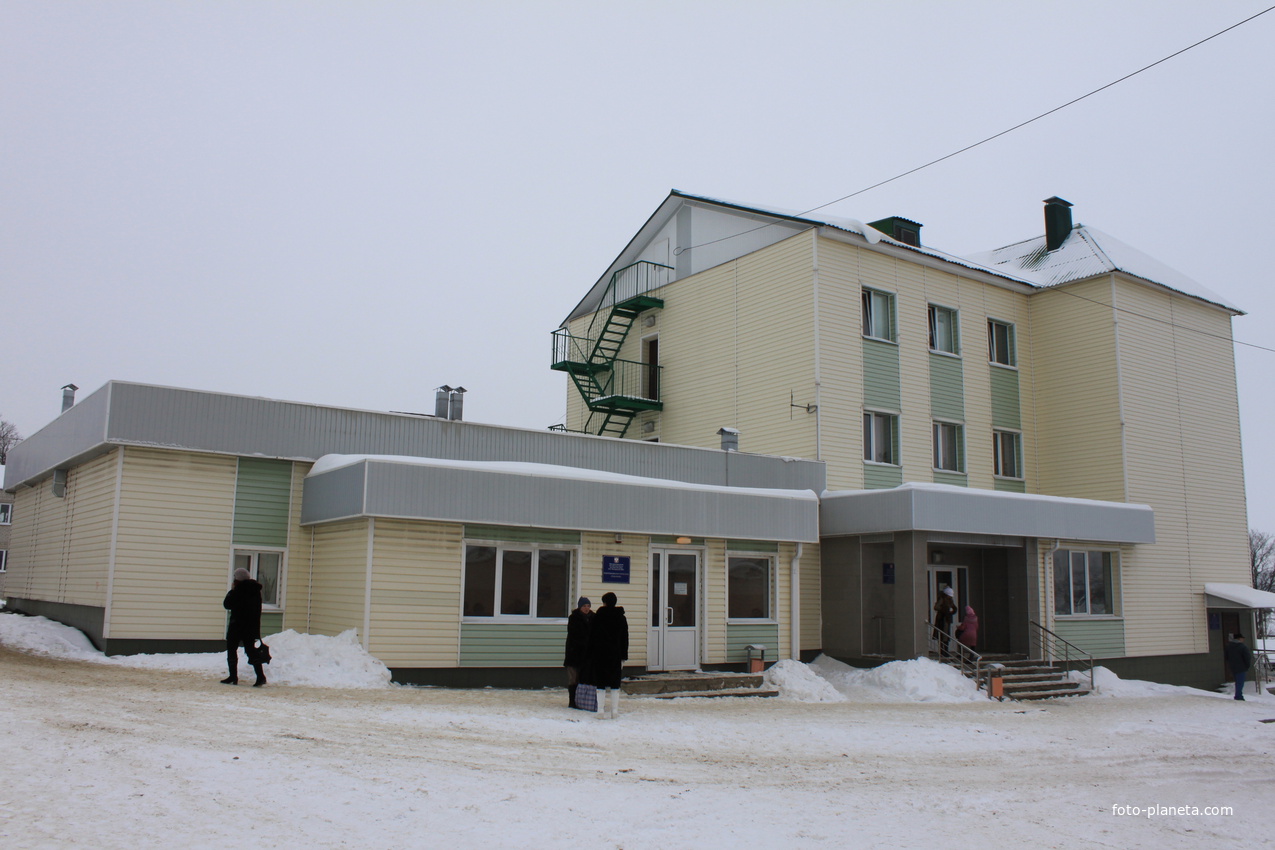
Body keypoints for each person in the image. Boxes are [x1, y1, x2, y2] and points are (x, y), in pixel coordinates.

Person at [222, 567, 267, 687]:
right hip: (250, 626)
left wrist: (231, 591)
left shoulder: (238, 590)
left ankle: (233, 676)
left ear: (238, 579)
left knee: (232, 650)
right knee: (251, 651)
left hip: (237, 625)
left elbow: (227, 604)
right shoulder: (255, 591)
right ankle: (260, 676)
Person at [588, 591, 628, 719]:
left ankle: (600, 710)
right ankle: (614, 711)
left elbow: (592, 636)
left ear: (604, 602)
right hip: (616, 654)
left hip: (600, 653)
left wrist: (591, 653)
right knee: (615, 684)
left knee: (600, 683)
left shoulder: (598, 617)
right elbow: (625, 638)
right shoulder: (621, 617)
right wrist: (624, 656)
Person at [563, 597, 592, 709]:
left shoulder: (592, 618)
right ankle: (572, 701)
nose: (586, 608)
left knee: (584, 678)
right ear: (580, 607)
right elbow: (574, 635)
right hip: (574, 653)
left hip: (587, 654)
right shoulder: (574, 618)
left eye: (588, 606)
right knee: (573, 678)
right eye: (584, 606)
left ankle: (582, 700)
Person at [1225, 631, 1253, 700]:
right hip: (1241, 667)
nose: (1243, 640)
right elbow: (1247, 657)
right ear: (1239, 639)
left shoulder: (1229, 646)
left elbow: (1226, 656)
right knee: (1240, 682)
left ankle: (1238, 695)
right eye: (1242, 638)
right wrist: (1247, 666)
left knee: (1237, 682)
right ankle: (1238, 696)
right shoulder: (1243, 647)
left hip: (1233, 667)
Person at [932, 587, 958, 657]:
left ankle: (946, 651)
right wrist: (944, 610)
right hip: (941, 619)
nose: (950, 597)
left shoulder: (950, 600)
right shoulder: (942, 599)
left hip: (946, 619)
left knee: (946, 636)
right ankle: (942, 651)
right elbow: (936, 607)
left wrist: (953, 611)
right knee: (941, 635)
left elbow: (953, 607)